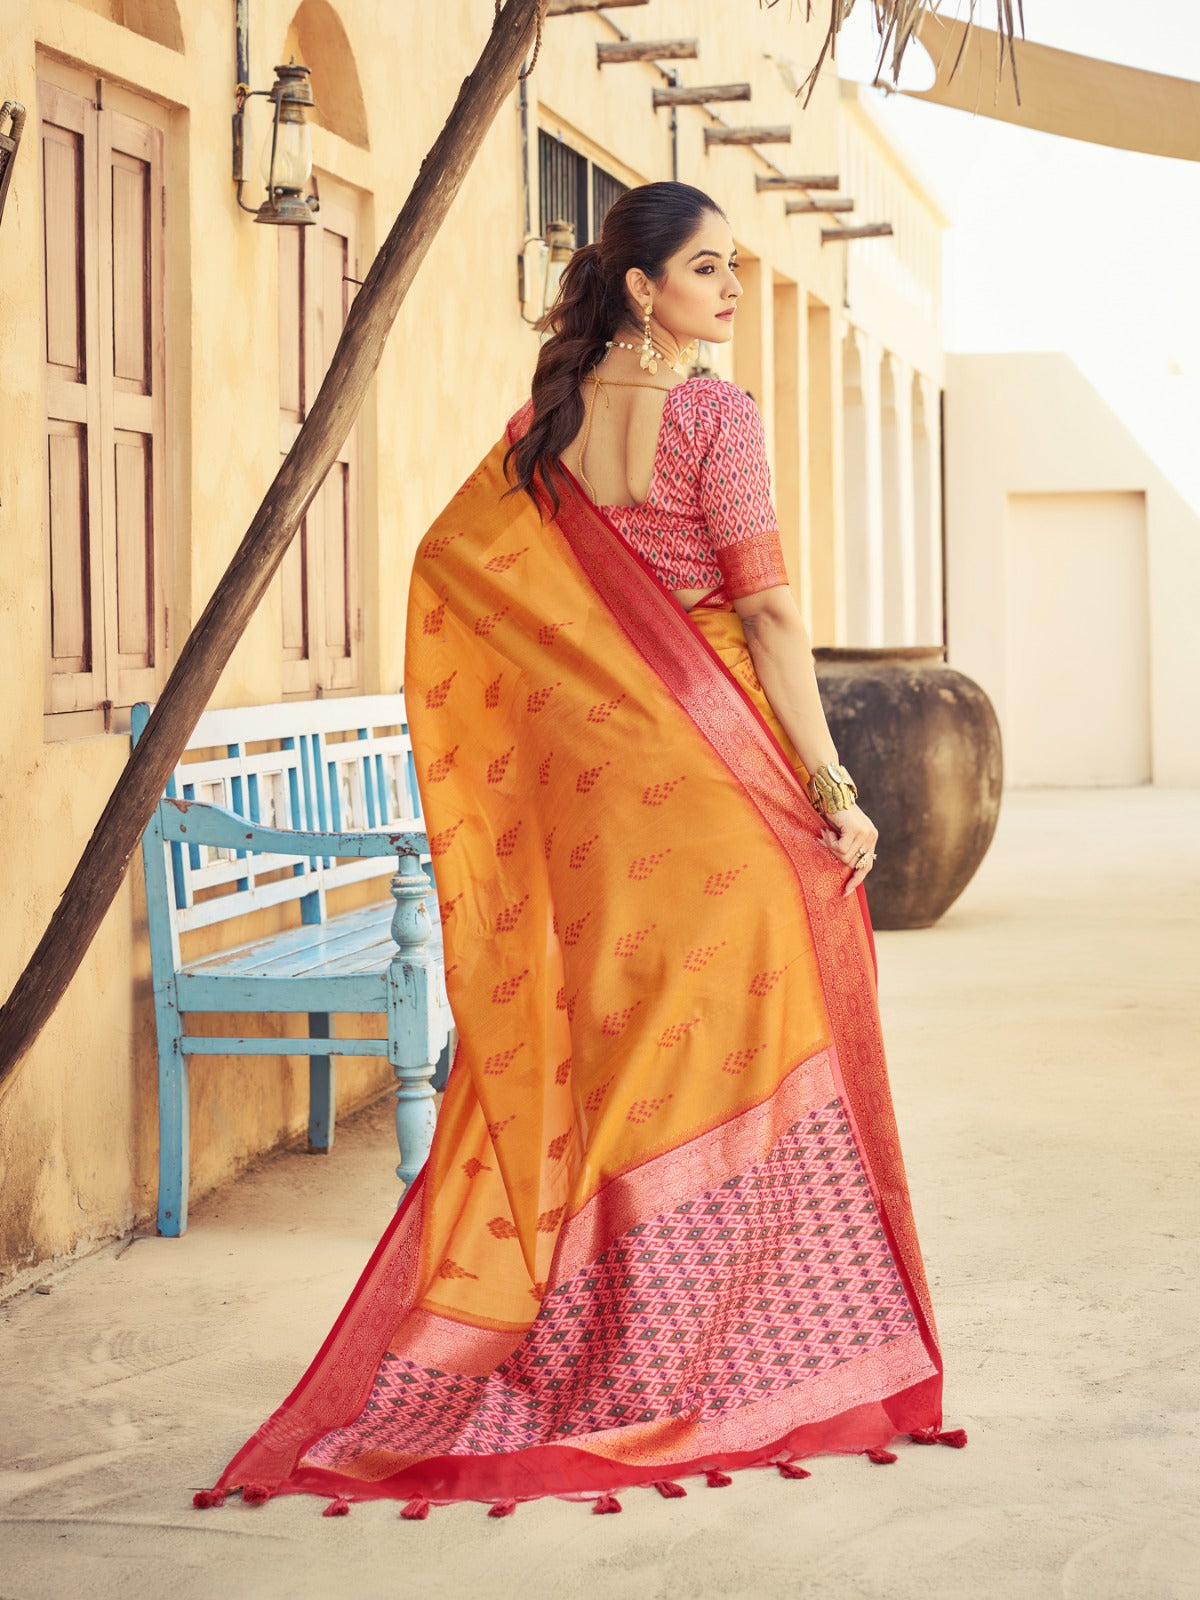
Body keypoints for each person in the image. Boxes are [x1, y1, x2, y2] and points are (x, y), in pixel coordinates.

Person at [200, 181, 963, 1520]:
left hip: (600, 816)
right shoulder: (716, 415)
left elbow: (459, 577)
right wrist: (834, 784)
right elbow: (773, 619)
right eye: (711, 270)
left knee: (617, 1059)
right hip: (713, 789)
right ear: (641, 285)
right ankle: (699, 1347)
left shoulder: (540, 436)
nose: (731, 292)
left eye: (737, 269)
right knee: (734, 1045)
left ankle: (590, 1344)